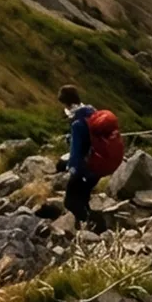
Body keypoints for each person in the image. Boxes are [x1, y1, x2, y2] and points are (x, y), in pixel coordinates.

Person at [61, 85, 100, 225]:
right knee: (83, 198)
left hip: (86, 167)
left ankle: (91, 225)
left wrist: (71, 168)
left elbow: (76, 151)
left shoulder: (77, 123)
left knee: (70, 202)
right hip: (99, 164)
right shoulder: (92, 112)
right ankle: (91, 225)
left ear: (67, 104)